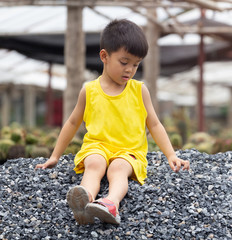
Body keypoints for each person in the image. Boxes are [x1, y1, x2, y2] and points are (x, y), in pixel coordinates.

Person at [35, 19, 190, 225]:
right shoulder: (89, 90)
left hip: (128, 151)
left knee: (118, 169)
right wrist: (55, 156)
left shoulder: (139, 90)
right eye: (124, 62)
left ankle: (110, 203)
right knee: (94, 164)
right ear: (104, 56)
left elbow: (154, 124)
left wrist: (171, 154)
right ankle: (85, 199)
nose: (130, 70)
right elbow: (72, 123)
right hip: (96, 146)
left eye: (136, 64)